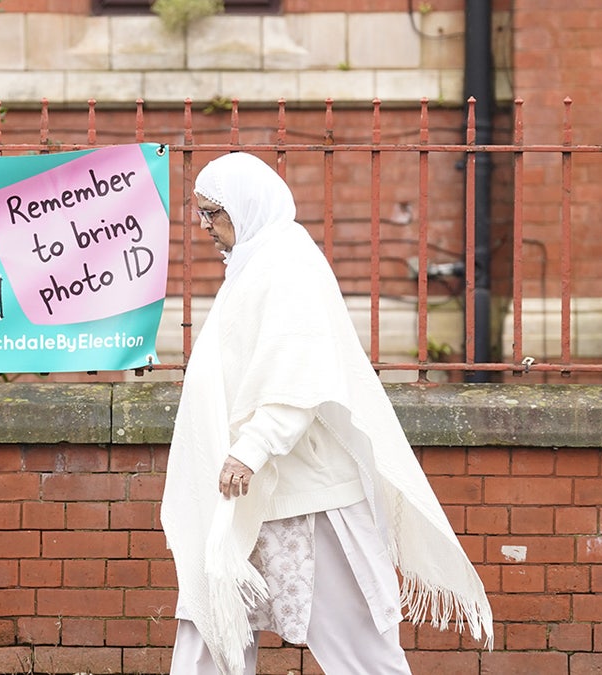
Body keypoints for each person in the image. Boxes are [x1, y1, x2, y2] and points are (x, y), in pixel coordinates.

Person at [161, 152, 493, 675]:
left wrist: (252, 449)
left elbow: (300, 370)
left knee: (355, 641)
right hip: (247, 492)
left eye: (212, 212)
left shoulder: (287, 264)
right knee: (211, 620)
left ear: (246, 206)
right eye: (200, 212)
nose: (204, 225)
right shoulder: (254, 263)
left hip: (303, 492)